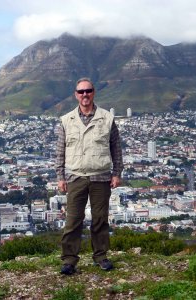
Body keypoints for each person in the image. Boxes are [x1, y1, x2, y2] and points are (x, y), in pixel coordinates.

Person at [55, 77, 123, 275]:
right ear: (76, 94)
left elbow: (116, 148)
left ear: (94, 92)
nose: (85, 94)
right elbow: (60, 151)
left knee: (100, 219)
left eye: (88, 91)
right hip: (75, 176)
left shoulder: (107, 118)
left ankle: (101, 256)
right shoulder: (66, 120)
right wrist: (60, 175)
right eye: (81, 91)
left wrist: (117, 173)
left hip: (100, 176)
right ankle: (69, 260)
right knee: (73, 220)